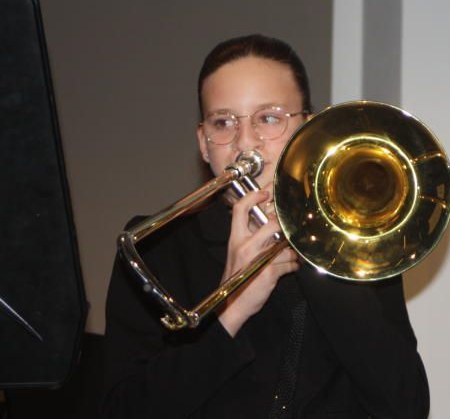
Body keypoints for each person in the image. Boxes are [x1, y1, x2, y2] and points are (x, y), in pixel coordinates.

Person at [101, 34, 429, 418]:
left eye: (268, 118)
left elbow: (405, 405)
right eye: (223, 122)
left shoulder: (356, 236)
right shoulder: (157, 246)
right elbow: (121, 410)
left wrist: (318, 254)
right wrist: (231, 309)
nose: (245, 144)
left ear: (308, 129)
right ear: (204, 143)